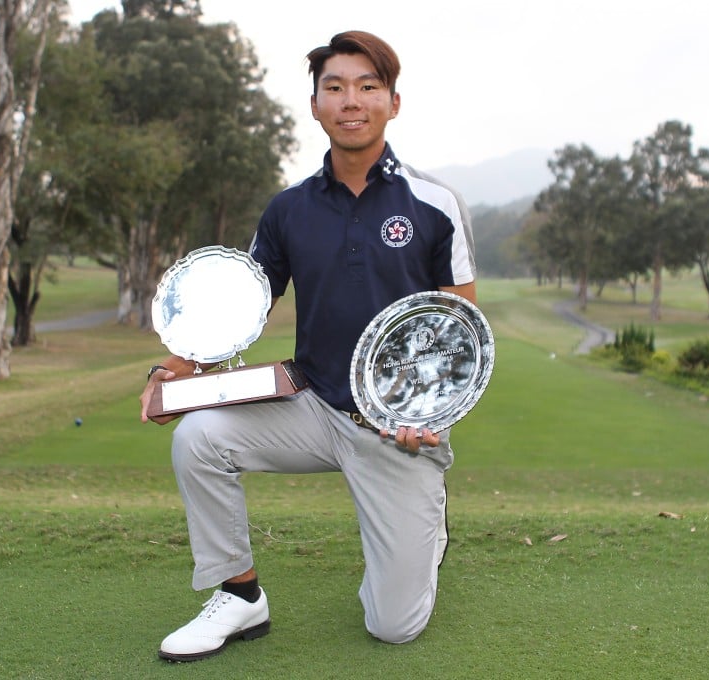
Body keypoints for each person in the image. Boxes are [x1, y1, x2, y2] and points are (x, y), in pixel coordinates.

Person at [139, 29, 477, 662]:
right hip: (313, 408)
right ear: (316, 106)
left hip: (394, 428)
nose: (352, 100)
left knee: (392, 626)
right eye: (335, 88)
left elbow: (459, 329)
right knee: (198, 437)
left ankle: (427, 529)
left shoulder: (435, 204)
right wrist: (175, 368)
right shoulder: (289, 208)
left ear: (393, 104)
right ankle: (240, 598)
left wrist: (428, 417)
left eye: (368, 87)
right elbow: (246, 301)